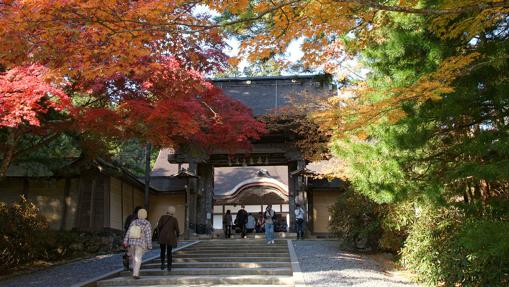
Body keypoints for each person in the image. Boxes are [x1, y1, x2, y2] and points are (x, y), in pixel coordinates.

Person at [124, 208, 152, 279]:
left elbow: (128, 232)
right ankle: (135, 274)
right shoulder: (147, 223)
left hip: (132, 242)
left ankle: (134, 272)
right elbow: (148, 236)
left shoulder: (134, 222)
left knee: (134, 258)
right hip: (140, 243)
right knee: (138, 258)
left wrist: (125, 241)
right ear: (145, 215)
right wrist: (149, 245)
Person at [157, 206, 179, 271]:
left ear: (167, 211)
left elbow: (159, 226)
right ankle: (169, 266)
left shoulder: (162, 217)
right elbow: (177, 229)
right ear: (173, 212)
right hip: (170, 238)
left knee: (162, 251)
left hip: (162, 237)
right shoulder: (174, 219)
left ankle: (162, 264)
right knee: (169, 252)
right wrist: (177, 236)